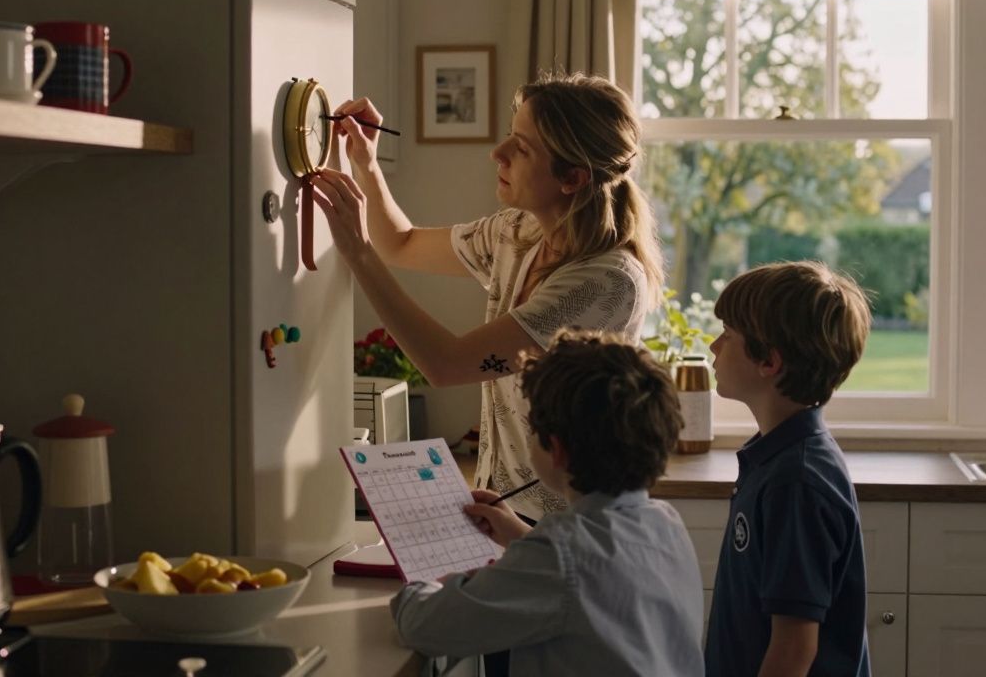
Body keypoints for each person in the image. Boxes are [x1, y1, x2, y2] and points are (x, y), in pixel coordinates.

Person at [309, 72, 664, 522]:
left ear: (573, 178)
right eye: (510, 137)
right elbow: (399, 243)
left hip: (564, 519)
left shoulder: (604, 282)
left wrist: (357, 252)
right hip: (506, 507)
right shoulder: (519, 232)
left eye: (523, 147)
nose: (498, 153)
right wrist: (367, 164)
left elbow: (447, 364)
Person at [389, 330, 704, 676]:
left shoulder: (560, 555)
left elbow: (426, 625)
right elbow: (595, 578)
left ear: (555, 449)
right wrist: (522, 537)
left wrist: (423, 584)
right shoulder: (665, 523)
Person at [703, 261, 873, 677]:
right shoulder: (775, 458)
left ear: (769, 362)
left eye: (727, 335)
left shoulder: (796, 482)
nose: (713, 346)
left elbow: (794, 649)